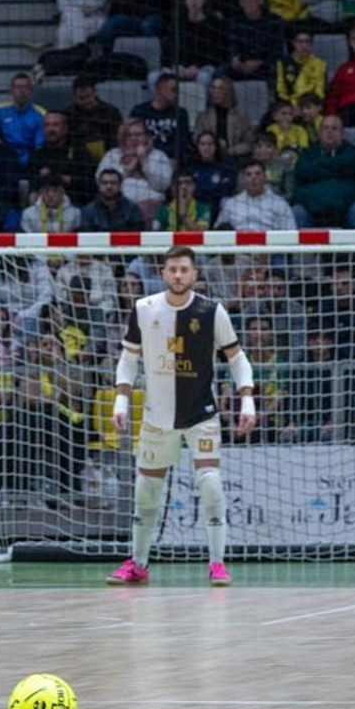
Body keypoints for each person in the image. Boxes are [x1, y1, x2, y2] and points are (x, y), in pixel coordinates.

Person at [107, 246, 257, 587]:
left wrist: (247, 400)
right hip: (157, 417)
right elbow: (128, 359)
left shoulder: (212, 311)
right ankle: (138, 564)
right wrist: (121, 399)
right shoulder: (144, 309)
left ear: (194, 274)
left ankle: (217, 564)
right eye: (172, 269)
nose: (178, 275)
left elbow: (237, 358)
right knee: (146, 491)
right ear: (163, 273)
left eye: (184, 269)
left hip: (201, 414)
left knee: (211, 485)